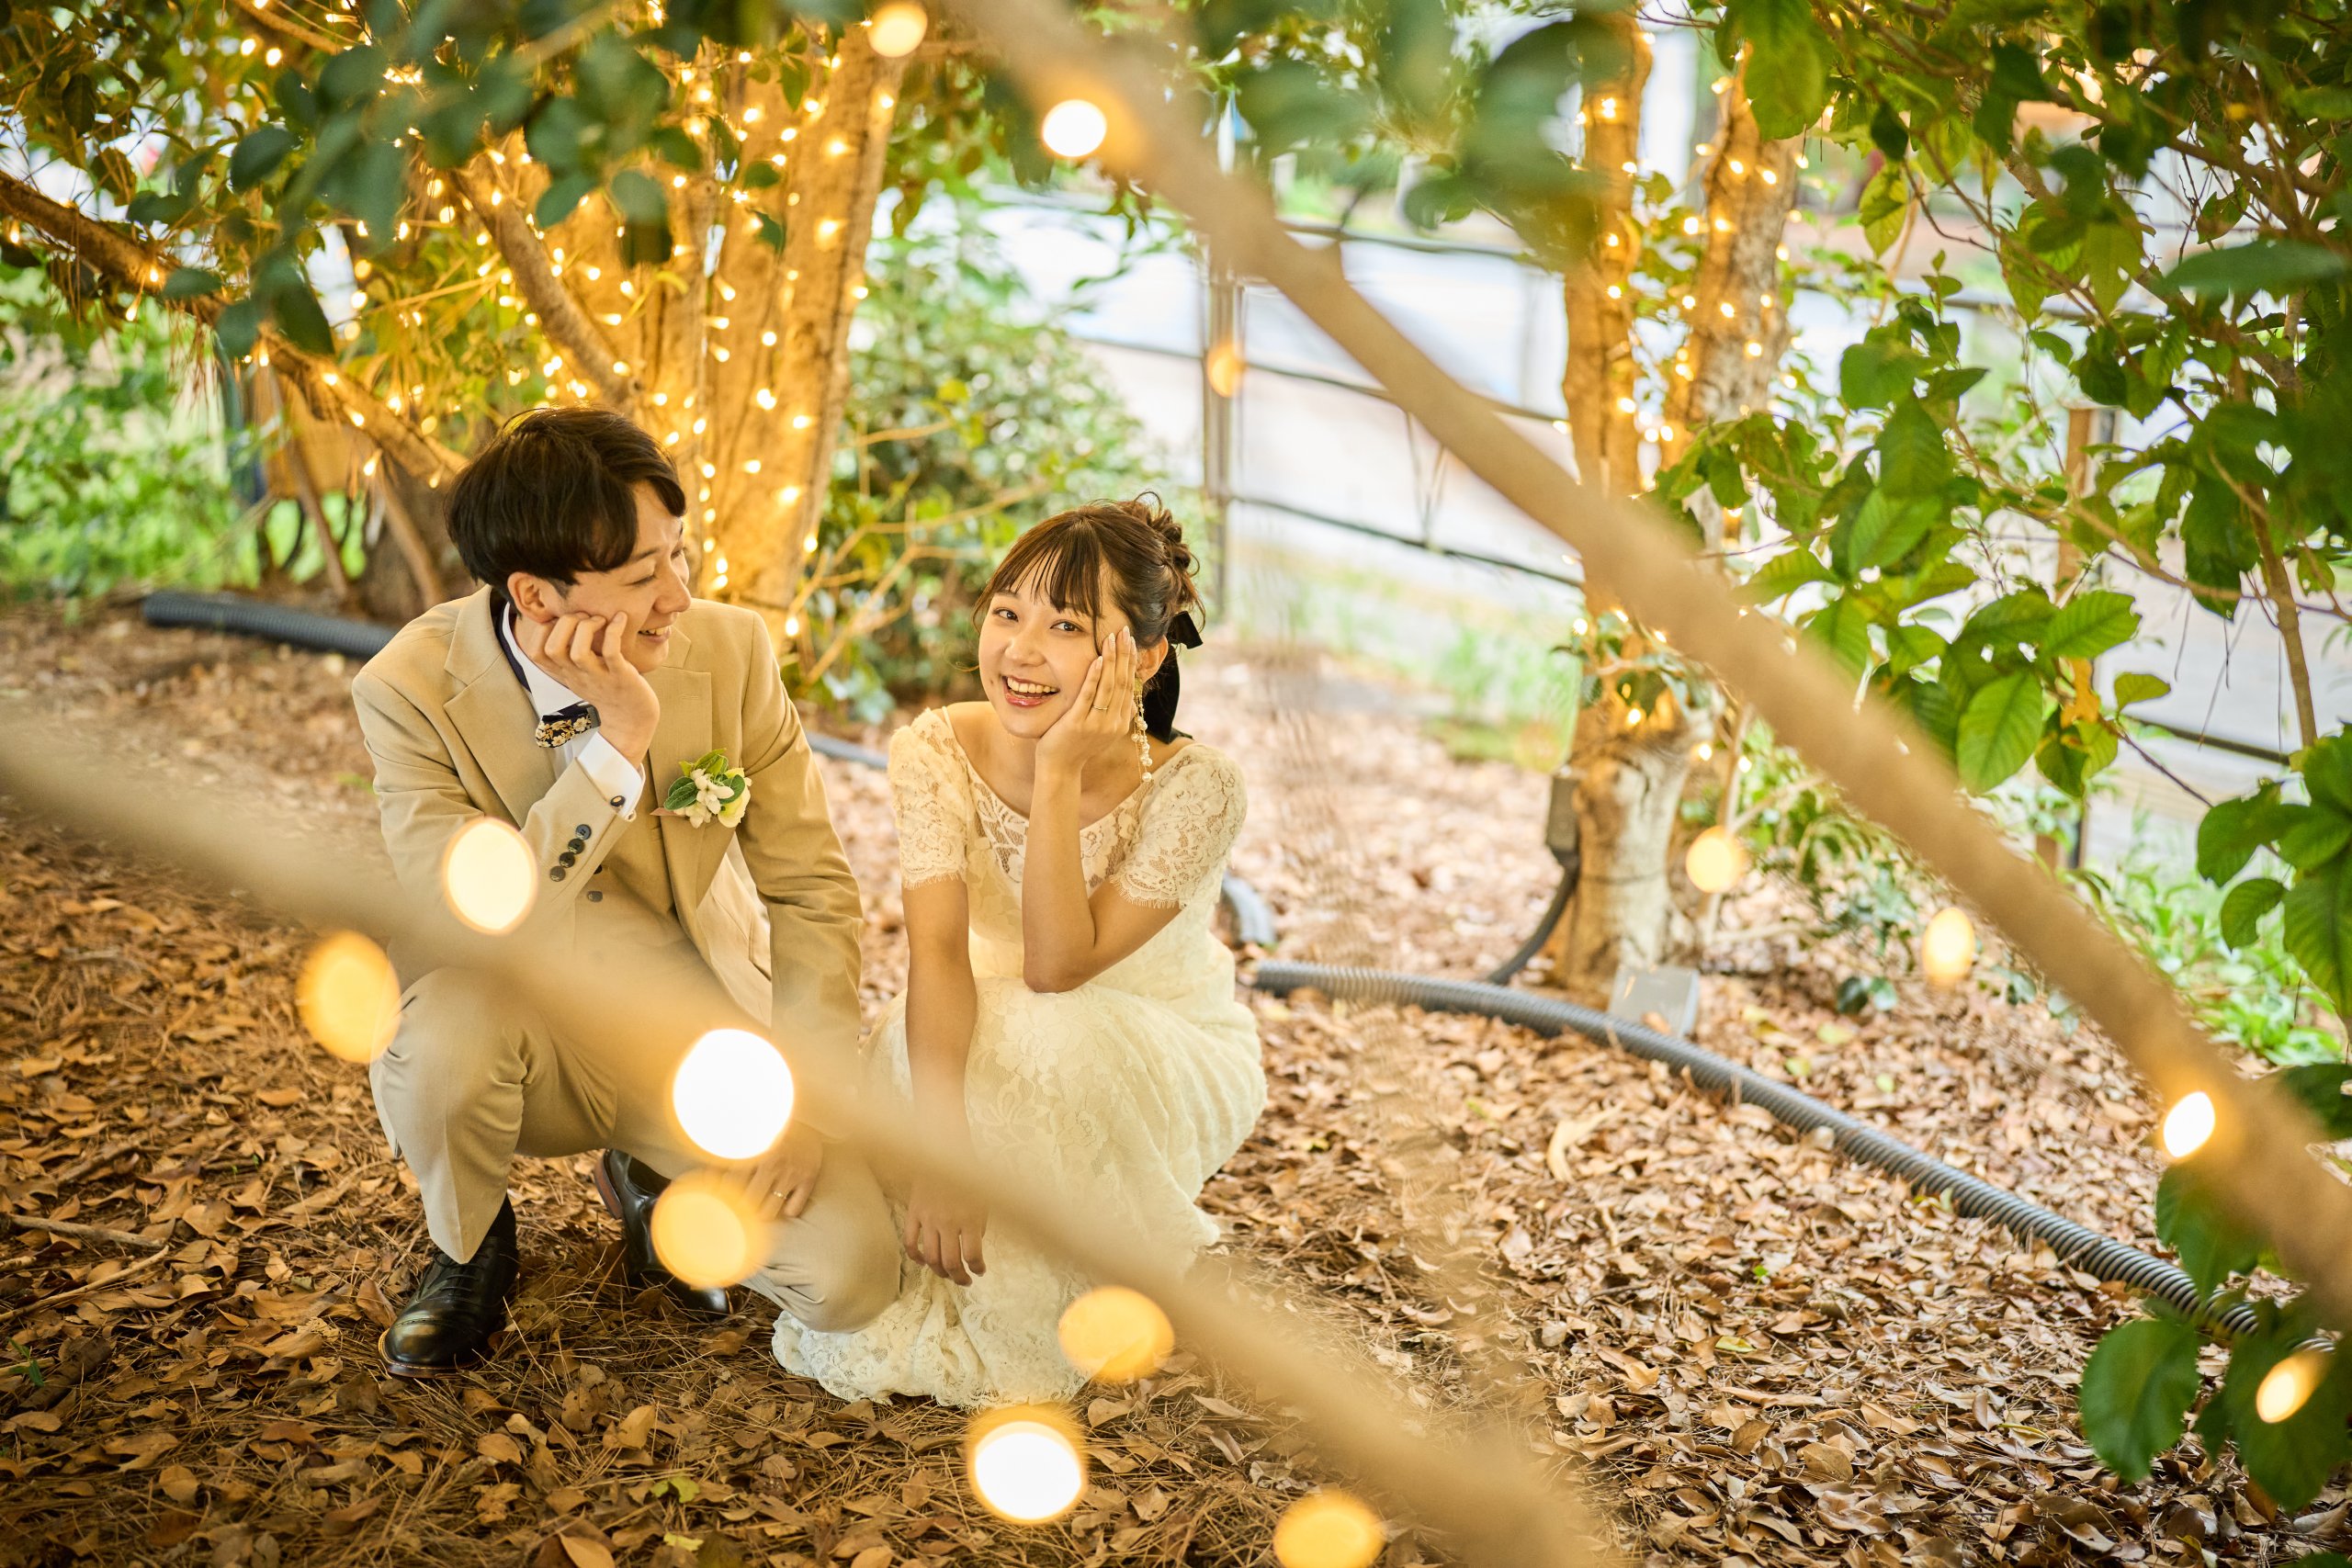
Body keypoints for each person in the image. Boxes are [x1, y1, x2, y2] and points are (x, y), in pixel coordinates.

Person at [350, 407, 899, 1377]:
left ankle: (647, 1181)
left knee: (851, 1279)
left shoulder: (731, 652)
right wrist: (616, 746)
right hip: (512, 1021)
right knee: (440, 1050)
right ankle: (469, 1246)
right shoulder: (408, 688)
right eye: (645, 575)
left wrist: (808, 1101)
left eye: (678, 557)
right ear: (535, 592)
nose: (678, 596)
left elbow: (812, 889)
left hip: (702, 1042)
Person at [765, 498, 1266, 1407]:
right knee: (969, 1055)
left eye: (1065, 625)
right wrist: (944, 1152)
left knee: (1049, 1030)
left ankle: (1052, 1324)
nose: (1020, 651)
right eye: (1007, 612)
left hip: (1156, 1045)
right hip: (974, 1023)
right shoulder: (933, 750)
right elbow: (939, 959)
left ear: (1144, 656)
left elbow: (1056, 968)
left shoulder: (1200, 789)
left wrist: (1061, 769)